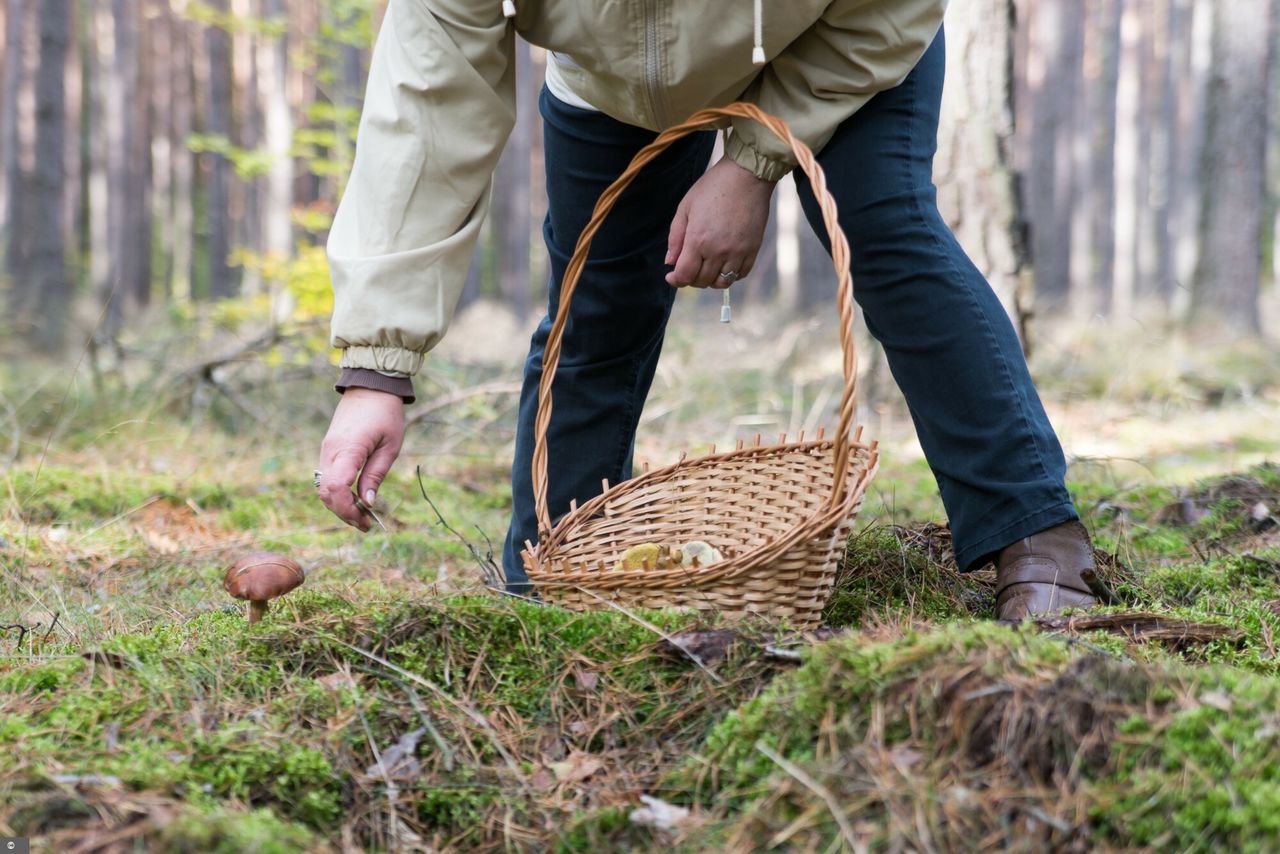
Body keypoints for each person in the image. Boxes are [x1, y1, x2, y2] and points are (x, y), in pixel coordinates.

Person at [315, 0, 1100, 620]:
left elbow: (886, 10)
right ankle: (550, 583)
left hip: (835, 39)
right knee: (596, 312)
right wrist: (376, 370)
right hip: (612, 83)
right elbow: (425, 109)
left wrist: (752, 167)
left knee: (884, 232)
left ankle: (1036, 535)